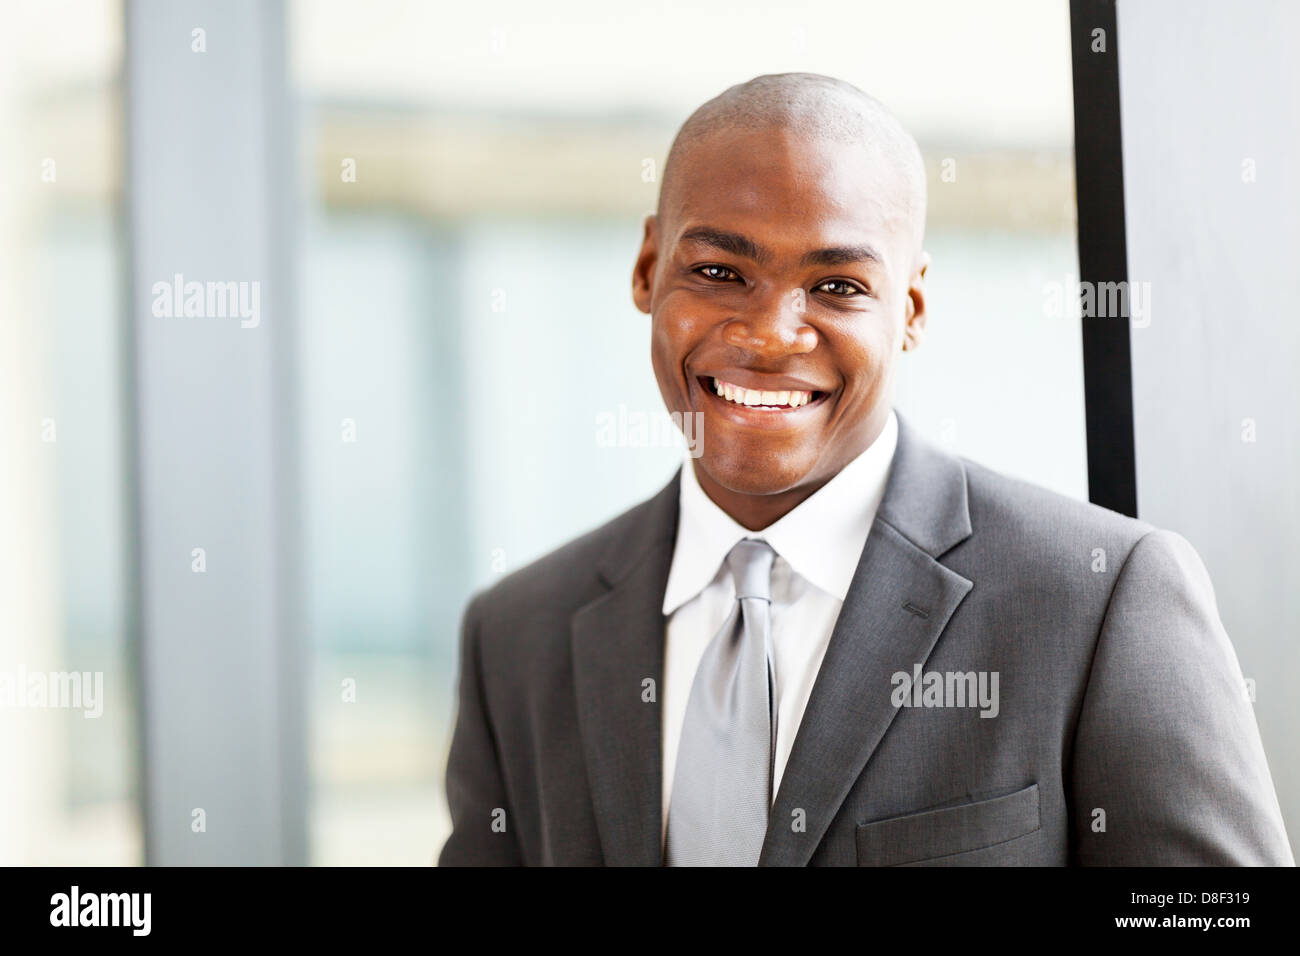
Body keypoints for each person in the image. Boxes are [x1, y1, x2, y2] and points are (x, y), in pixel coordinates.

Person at [437, 72, 1293, 866]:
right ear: (646, 269)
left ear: (910, 309)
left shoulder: (1100, 597)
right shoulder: (517, 635)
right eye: (718, 271)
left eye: (838, 286)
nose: (771, 334)